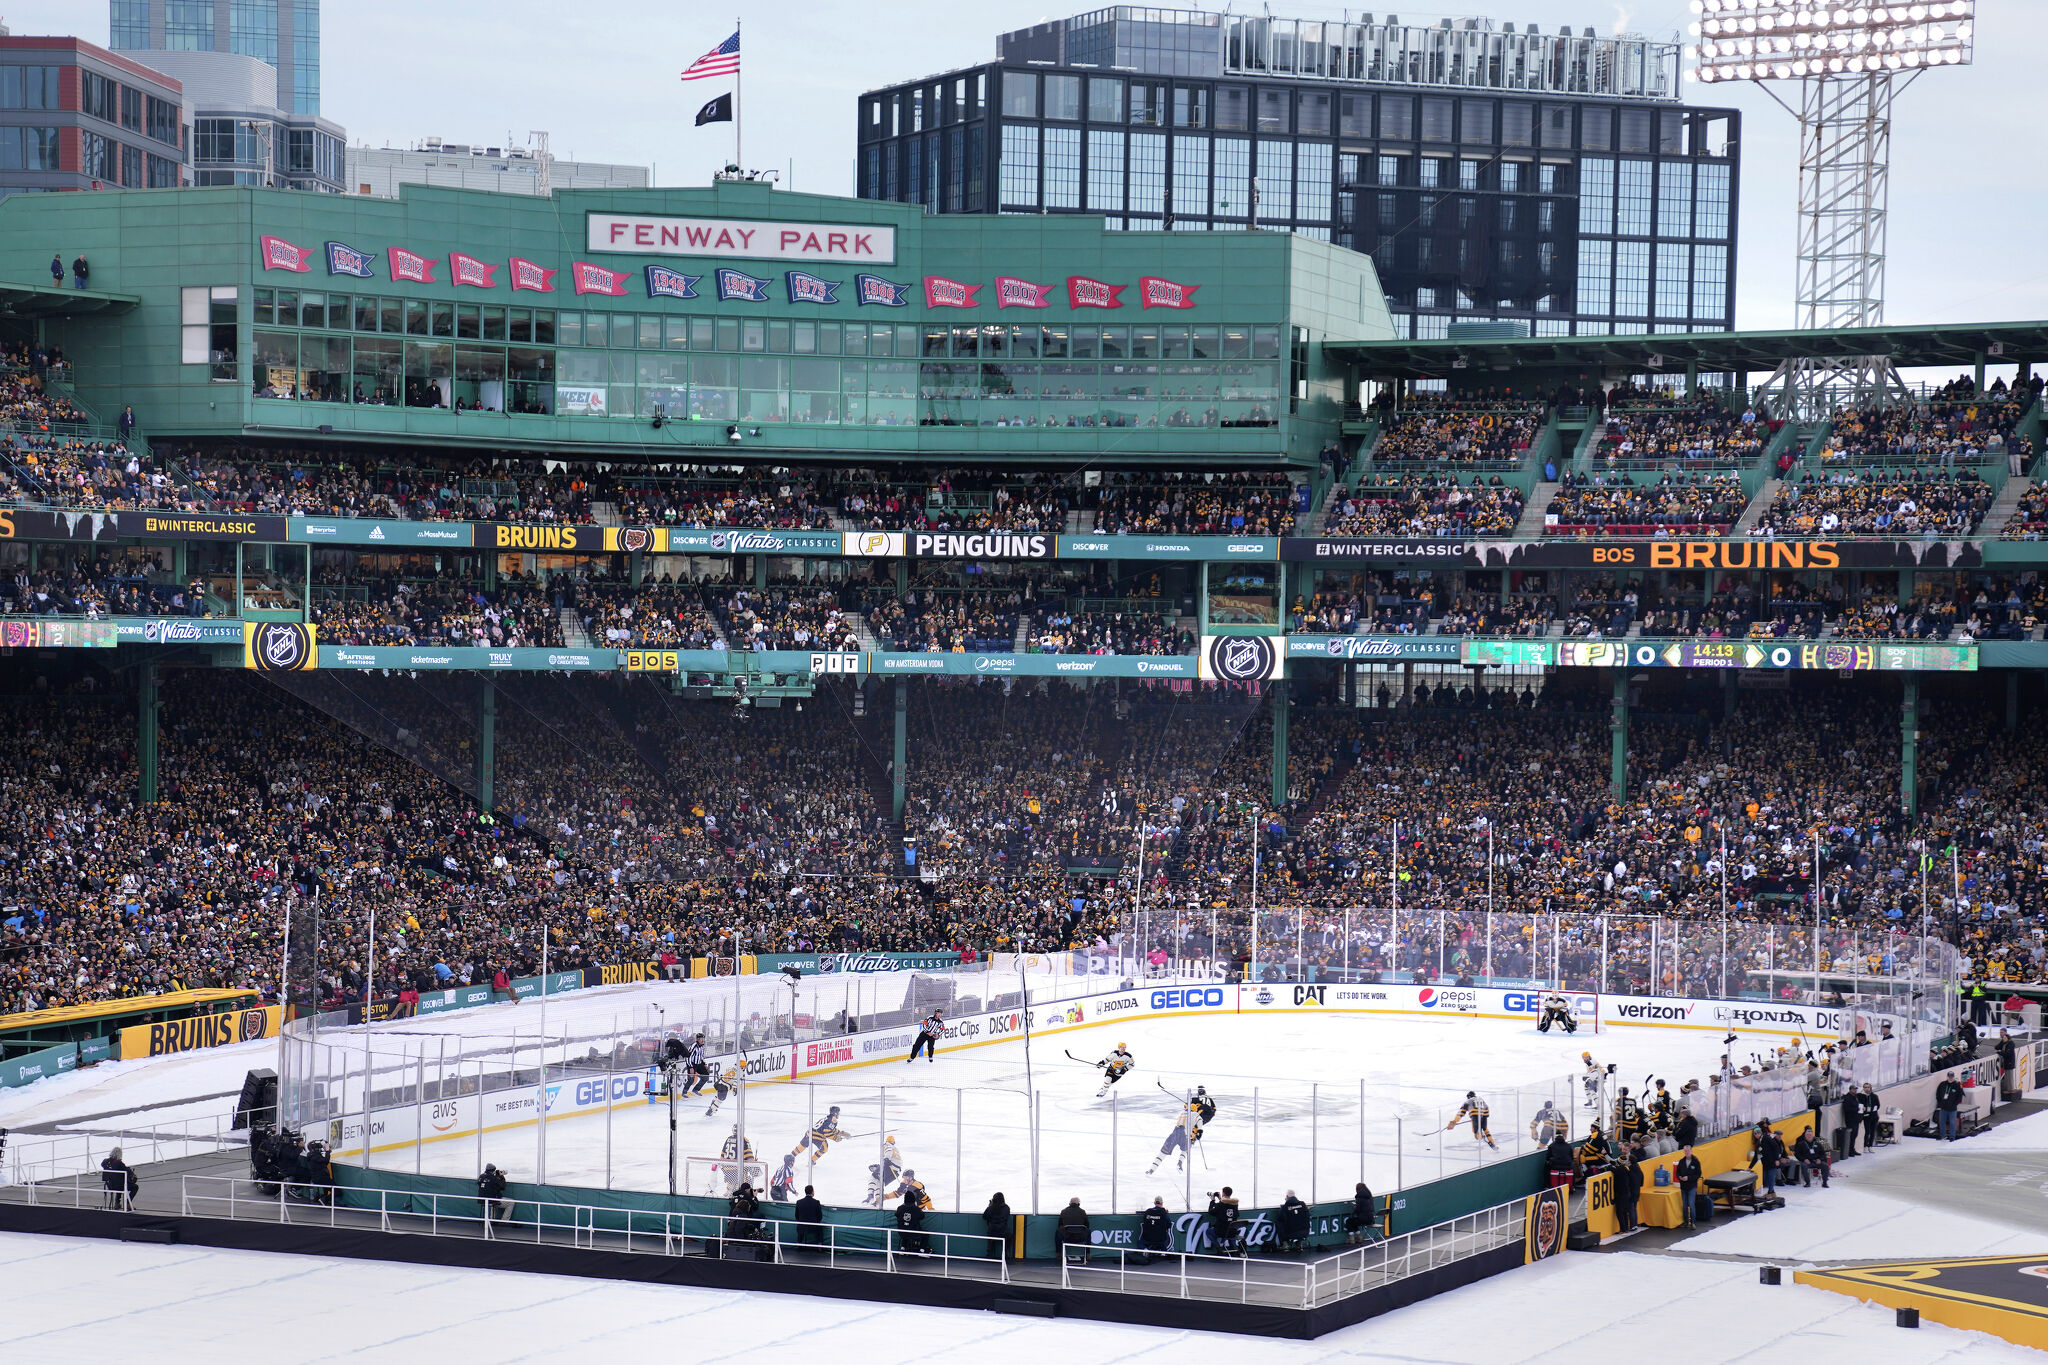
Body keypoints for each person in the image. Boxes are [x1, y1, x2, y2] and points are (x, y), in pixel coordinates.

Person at [1207, 1187, 1244, 1256]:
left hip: (1221, 1232)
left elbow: (1211, 1212)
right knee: (1229, 1228)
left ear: (1223, 1193)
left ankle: (1219, 1249)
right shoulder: (1235, 1205)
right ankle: (1232, 1246)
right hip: (1232, 1232)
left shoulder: (1220, 1205)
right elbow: (1229, 1208)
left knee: (1208, 1232)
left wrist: (1212, 1201)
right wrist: (1221, 1199)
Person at [894, 1187, 930, 1256]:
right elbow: (922, 1216)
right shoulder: (916, 1209)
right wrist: (915, 1206)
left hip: (901, 1232)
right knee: (926, 1234)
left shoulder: (900, 1208)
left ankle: (902, 1248)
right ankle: (921, 1251)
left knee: (905, 1230)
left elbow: (896, 1214)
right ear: (913, 1199)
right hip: (914, 1233)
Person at [1056, 1195, 1091, 1265]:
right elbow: (1087, 1225)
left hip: (1067, 1237)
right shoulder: (1082, 1212)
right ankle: (1087, 1254)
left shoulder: (1063, 1211)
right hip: (1081, 1238)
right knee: (1088, 1231)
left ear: (1070, 1203)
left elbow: (1060, 1224)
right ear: (1078, 1203)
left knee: (1057, 1232)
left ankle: (1059, 1253)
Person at [1674, 1145, 1703, 1229]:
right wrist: (1680, 1177)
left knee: (1691, 1204)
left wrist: (1689, 1178)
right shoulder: (1682, 1161)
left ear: (1691, 1151)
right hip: (1683, 1186)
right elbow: (1677, 1172)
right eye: (1685, 1151)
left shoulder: (1695, 1161)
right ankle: (1686, 1222)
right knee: (1685, 1204)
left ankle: (1693, 1222)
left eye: (1687, 1151)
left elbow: (1698, 1174)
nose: (1686, 1152)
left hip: (1692, 1186)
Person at [1136, 1195, 1172, 1264]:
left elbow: (1145, 1222)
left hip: (1147, 1238)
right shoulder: (1164, 1213)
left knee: (1140, 1243)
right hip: (1161, 1239)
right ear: (1161, 1203)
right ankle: (1163, 1251)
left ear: (1154, 1203)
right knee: (1166, 1237)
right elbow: (1169, 1224)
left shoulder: (1148, 1211)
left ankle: (1145, 1249)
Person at [1274, 1190, 1311, 1255]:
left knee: (1279, 1223)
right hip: (1305, 1232)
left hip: (1291, 1233)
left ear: (1287, 1197)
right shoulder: (1303, 1204)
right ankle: (1299, 1244)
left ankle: (1285, 1244)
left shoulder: (1285, 1207)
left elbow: (1281, 1218)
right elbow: (1308, 1216)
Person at [982, 1191, 1012, 1262]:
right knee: (1009, 1237)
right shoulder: (1006, 1208)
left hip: (992, 1231)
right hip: (1003, 1231)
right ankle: (1006, 1253)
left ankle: (989, 1253)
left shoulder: (991, 1208)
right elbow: (1006, 1218)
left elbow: (984, 1217)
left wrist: (989, 1206)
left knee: (990, 1237)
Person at [1935, 1073, 1965, 1141]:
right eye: (1949, 1077)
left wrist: (1955, 1104)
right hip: (1943, 1108)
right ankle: (1943, 1135)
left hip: (1952, 1108)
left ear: (1954, 1077)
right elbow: (1938, 1094)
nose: (1950, 1078)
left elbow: (1960, 1096)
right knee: (1942, 1122)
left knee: (1952, 1123)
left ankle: (1952, 1136)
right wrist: (1940, 1103)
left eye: (1952, 1077)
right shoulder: (1942, 1084)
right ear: (1947, 1077)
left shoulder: (1957, 1085)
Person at [1858, 1082, 1881, 1152]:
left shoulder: (1874, 1096)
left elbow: (1878, 1105)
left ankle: (1870, 1146)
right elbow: (1859, 1104)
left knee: (1872, 1131)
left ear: (1870, 1088)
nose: (1867, 1089)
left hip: (1874, 1116)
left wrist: (1872, 1109)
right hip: (1866, 1116)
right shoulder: (1861, 1096)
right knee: (1867, 1131)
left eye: (1868, 1087)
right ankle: (1865, 1146)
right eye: (1865, 1087)